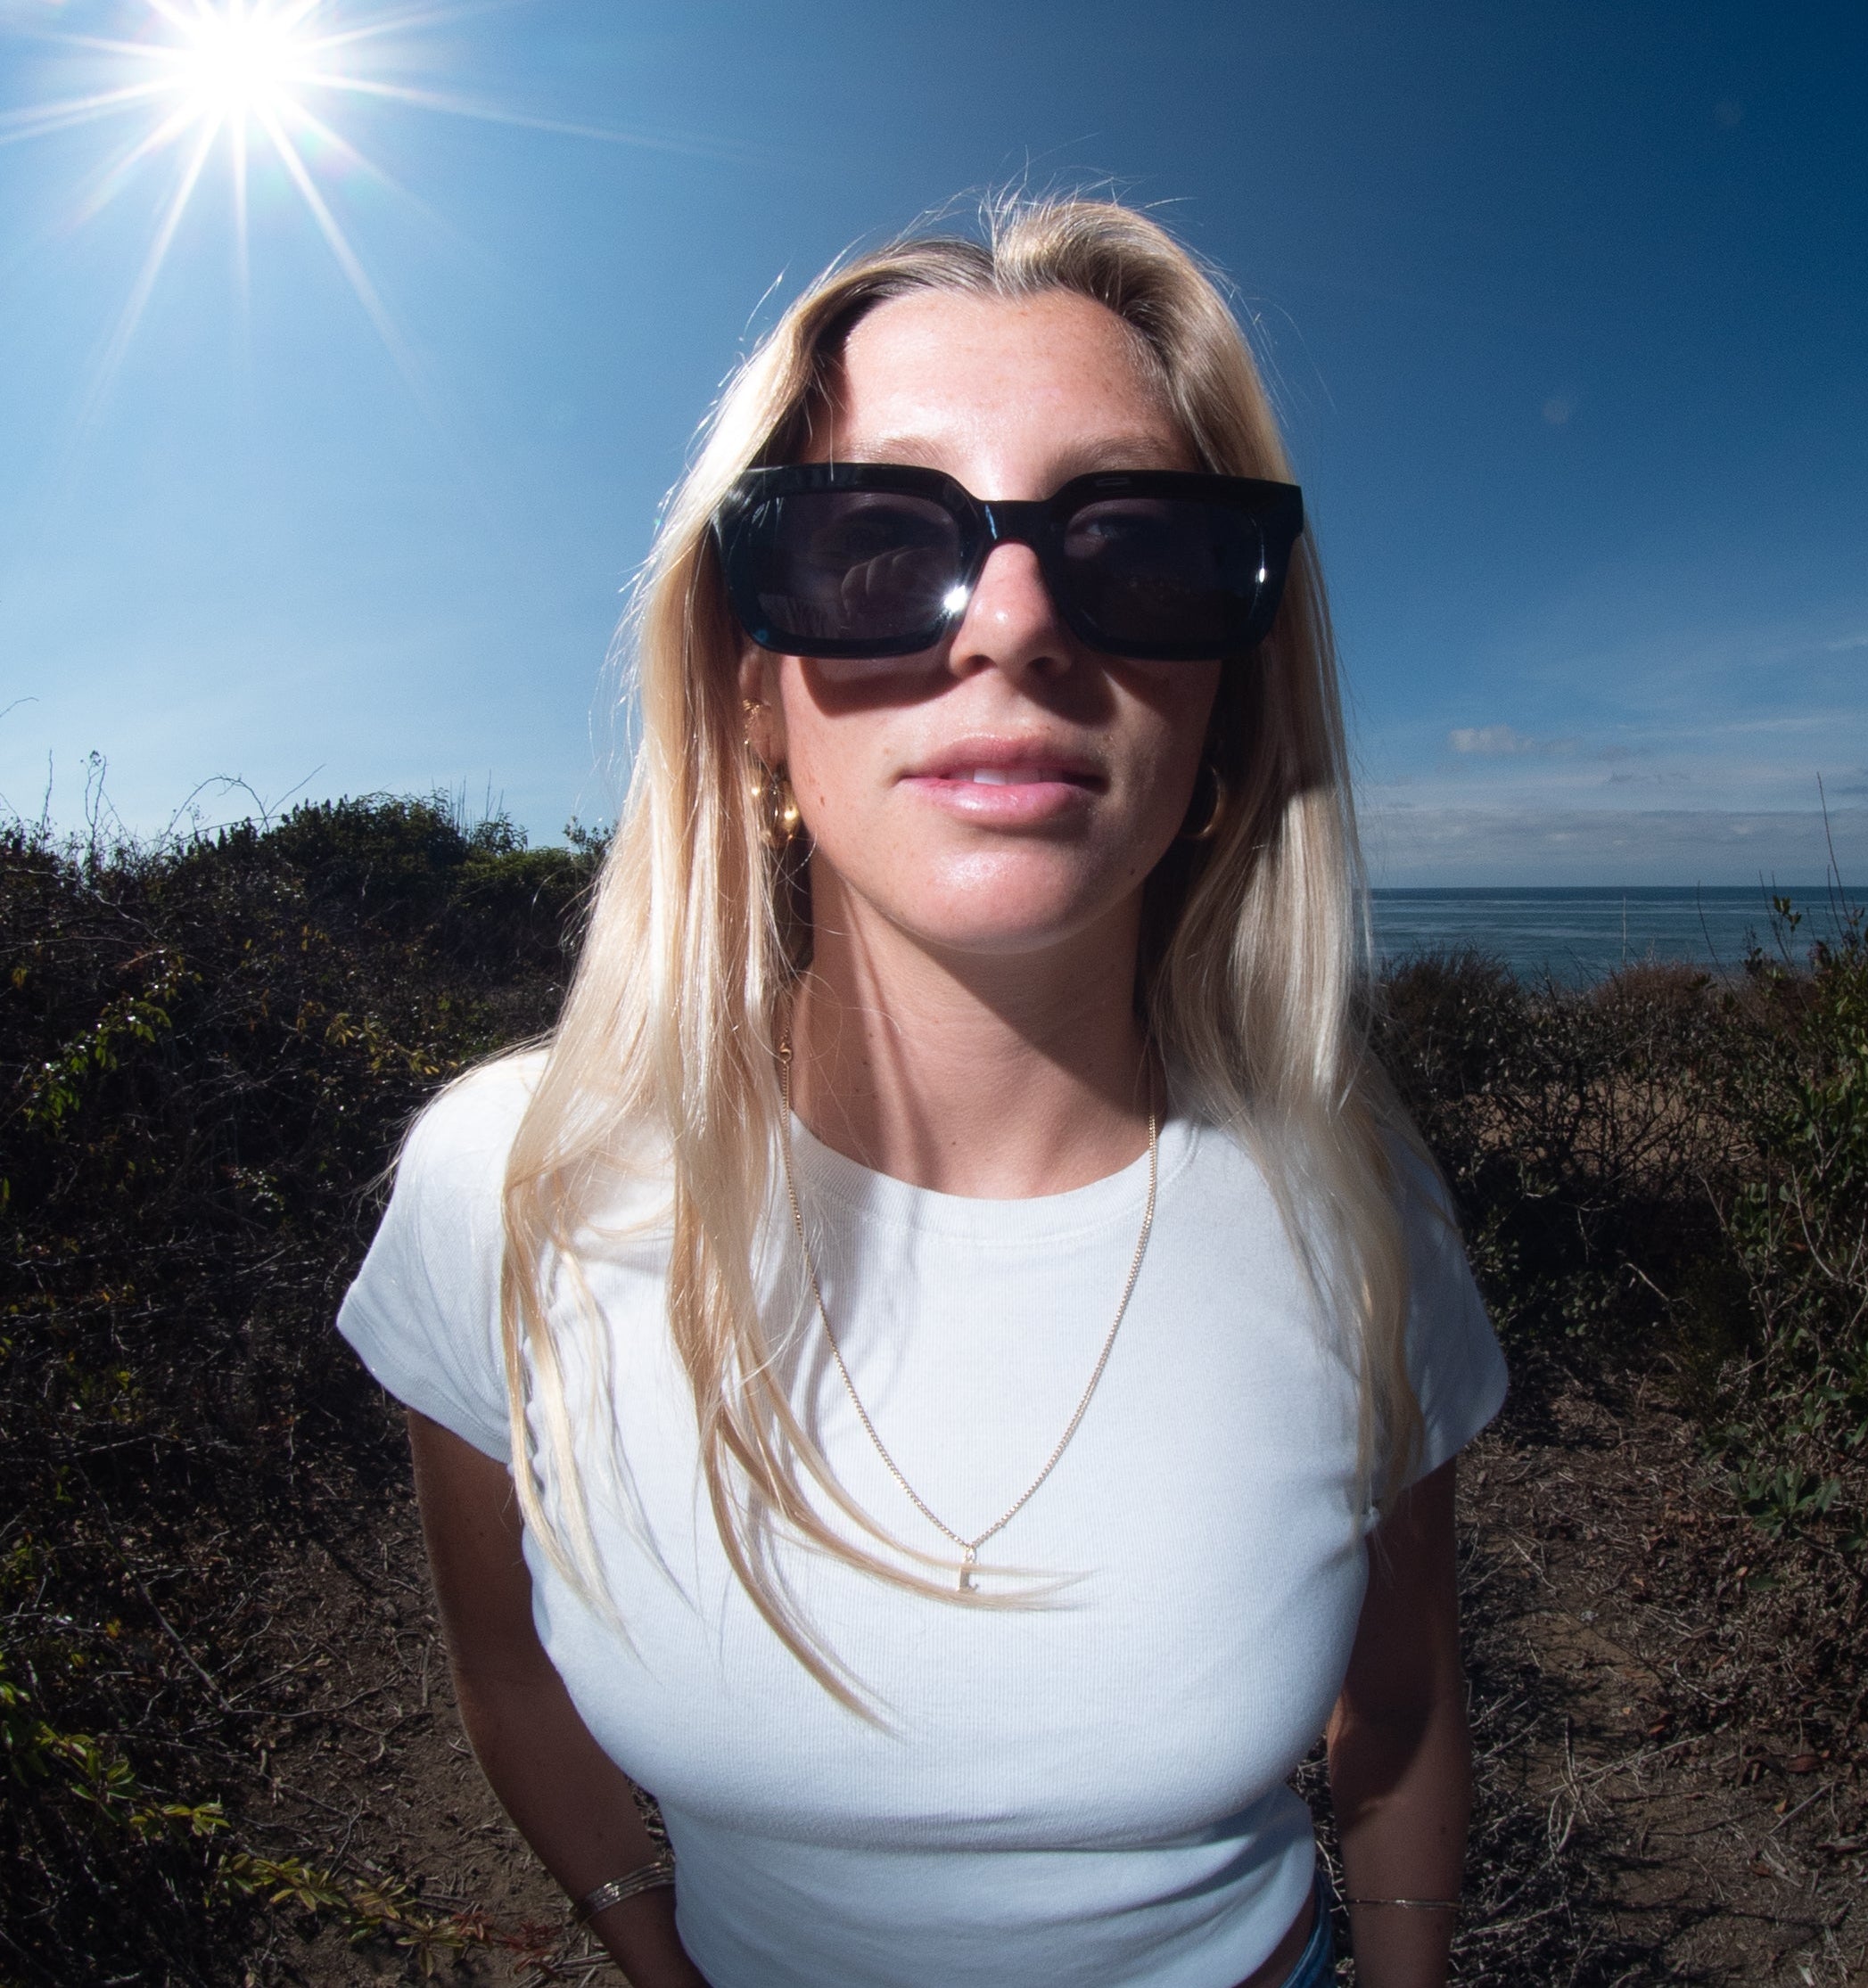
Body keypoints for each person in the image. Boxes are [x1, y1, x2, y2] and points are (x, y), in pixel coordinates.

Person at [338, 196, 1505, 1988]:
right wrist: (647, 1943)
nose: (1017, 622)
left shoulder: (1349, 1203)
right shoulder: (516, 1185)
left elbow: (1405, 1712)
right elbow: (503, 1667)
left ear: (1219, 708)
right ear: (747, 696)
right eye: (872, 545)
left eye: (1139, 547)